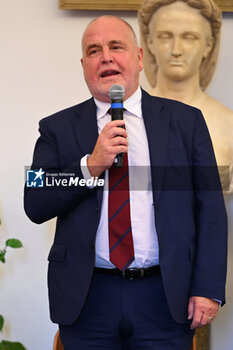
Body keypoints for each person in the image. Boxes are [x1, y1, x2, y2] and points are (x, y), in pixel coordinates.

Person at [24, 15, 227, 350]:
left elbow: (211, 211)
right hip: (88, 298)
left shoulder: (185, 122)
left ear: (139, 57)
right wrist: (90, 166)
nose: (106, 56)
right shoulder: (57, 129)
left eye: (116, 46)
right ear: (84, 65)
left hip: (165, 295)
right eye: (94, 50)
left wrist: (207, 287)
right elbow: (35, 199)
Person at [138, 0, 233, 194]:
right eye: (165, 36)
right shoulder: (123, 120)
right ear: (150, 43)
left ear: (208, 45)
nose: (176, 50)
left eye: (189, 37)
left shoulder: (229, 126)